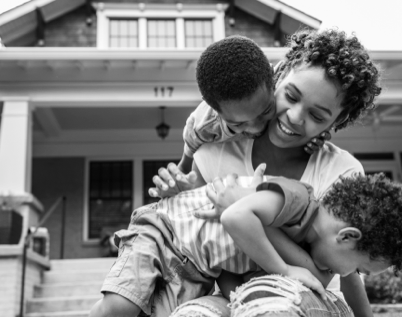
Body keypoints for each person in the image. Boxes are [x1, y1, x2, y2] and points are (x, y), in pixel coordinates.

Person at [151, 28, 383, 317]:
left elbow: (322, 273)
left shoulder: (341, 172)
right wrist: (176, 187)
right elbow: (195, 235)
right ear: (279, 75)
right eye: (291, 96)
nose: (295, 117)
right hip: (228, 294)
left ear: (338, 121)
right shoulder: (217, 150)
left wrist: (242, 210)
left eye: (317, 116)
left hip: (300, 296)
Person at [90, 170, 402, 317]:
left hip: (198, 270)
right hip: (164, 230)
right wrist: (285, 268)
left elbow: (233, 259)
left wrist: (236, 297)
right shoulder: (298, 199)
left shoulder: (300, 246)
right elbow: (234, 217)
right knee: (120, 307)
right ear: (347, 237)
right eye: (360, 268)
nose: (351, 275)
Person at [174, 35, 327, 176]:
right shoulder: (202, 127)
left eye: (265, 111)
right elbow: (184, 168)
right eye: (239, 123)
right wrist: (176, 181)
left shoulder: (284, 77)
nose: (256, 128)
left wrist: (316, 132)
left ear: (273, 80)